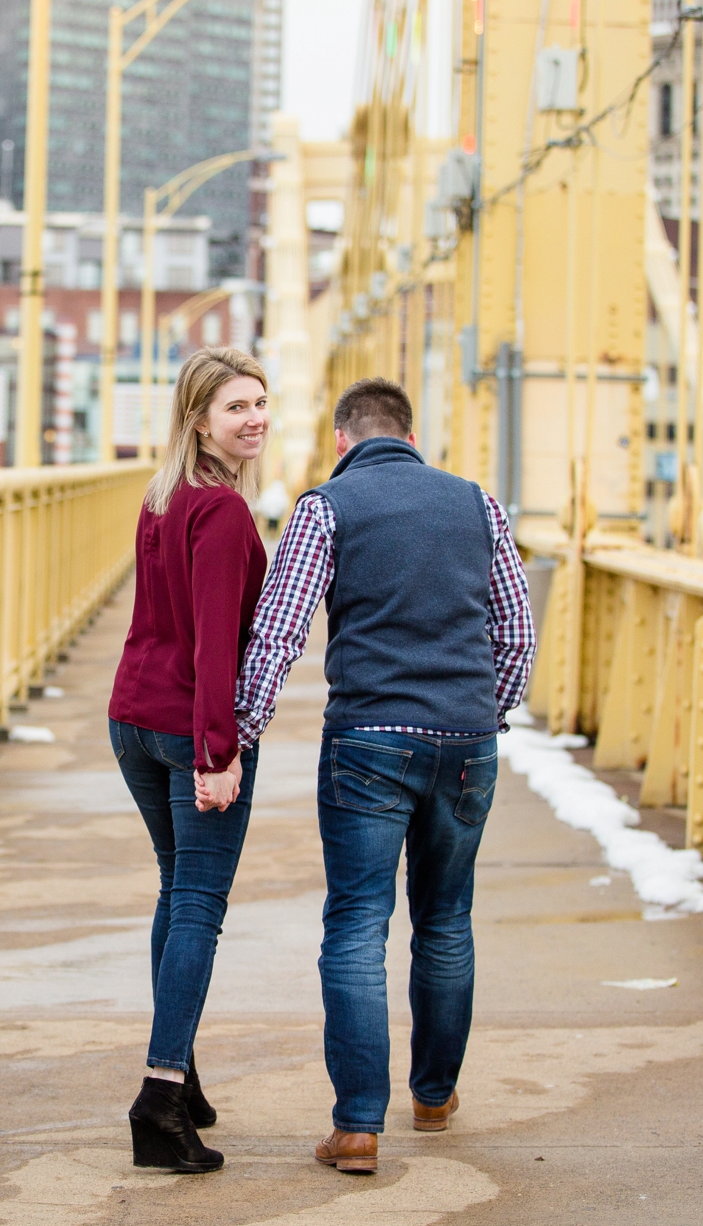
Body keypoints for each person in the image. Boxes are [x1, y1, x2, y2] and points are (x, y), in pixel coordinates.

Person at [234, 377, 535, 1175]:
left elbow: (280, 629)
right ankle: (434, 1096)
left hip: (368, 739)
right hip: (467, 742)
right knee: (446, 920)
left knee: (358, 927)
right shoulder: (480, 505)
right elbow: (518, 633)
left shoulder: (326, 506)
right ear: (411, 434)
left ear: (342, 441)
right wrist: (484, 715)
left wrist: (239, 734)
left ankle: (359, 1125)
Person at [106, 347, 271, 1174]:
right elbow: (215, 644)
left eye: (261, 403)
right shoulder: (224, 515)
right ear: (199, 418)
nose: (255, 419)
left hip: (132, 718)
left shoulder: (162, 496)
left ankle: (185, 1066)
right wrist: (218, 752)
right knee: (201, 902)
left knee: (177, 892)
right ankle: (160, 1096)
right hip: (185, 729)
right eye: (237, 406)